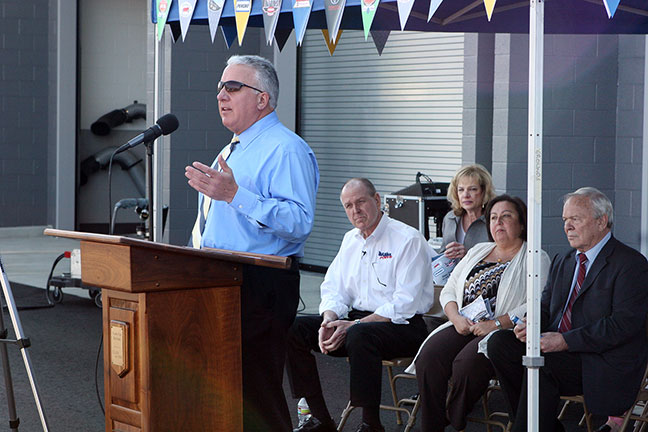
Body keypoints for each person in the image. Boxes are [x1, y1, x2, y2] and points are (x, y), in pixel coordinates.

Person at [184, 55, 319, 432]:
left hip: (260, 284)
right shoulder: (231, 150)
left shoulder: (285, 149)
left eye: (232, 87)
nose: (220, 95)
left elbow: (299, 222)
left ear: (263, 98)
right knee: (224, 390)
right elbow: (211, 224)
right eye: (219, 88)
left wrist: (235, 195)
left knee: (256, 393)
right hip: (218, 279)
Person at [487, 187, 648, 432]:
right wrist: (531, 323)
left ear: (601, 221)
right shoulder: (565, 260)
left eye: (575, 219)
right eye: (565, 220)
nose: (567, 227)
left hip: (600, 359)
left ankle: (528, 426)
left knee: (541, 364)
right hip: (559, 350)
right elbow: (545, 306)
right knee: (500, 343)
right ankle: (541, 425)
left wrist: (564, 341)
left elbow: (622, 325)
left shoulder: (630, 264)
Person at [286, 178, 434, 432]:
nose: (355, 211)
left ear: (377, 200)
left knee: (359, 333)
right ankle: (320, 418)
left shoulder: (407, 238)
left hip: (404, 326)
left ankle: (371, 424)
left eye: (361, 202)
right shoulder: (350, 240)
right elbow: (335, 289)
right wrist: (328, 320)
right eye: (348, 205)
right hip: (358, 323)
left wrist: (352, 324)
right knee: (294, 328)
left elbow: (405, 303)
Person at [405, 194, 550, 431]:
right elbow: (449, 289)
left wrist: (494, 325)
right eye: (493, 217)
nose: (498, 222)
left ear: (522, 223)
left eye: (506, 217)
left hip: (500, 331)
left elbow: (535, 304)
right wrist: (455, 317)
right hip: (463, 323)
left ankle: (454, 418)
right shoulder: (479, 250)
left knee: (465, 365)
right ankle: (431, 425)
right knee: (430, 357)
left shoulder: (535, 257)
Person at [440, 164, 496, 259]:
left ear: (484, 192)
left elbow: (502, 258)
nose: (465, 195)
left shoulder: (493, 221)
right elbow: (442, 253)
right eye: (461, 190)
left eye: (472, 189)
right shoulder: (450, 218)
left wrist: (468, 256)